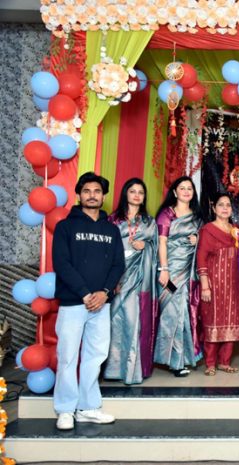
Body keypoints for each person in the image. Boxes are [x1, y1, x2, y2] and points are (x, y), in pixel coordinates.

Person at [52, 172, 124, 430]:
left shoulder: (111, 230)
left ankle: (88, 407)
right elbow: (62, 263)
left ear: (103, 196)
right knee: (68, 356)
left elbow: (118, 265)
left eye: (97, 191)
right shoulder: (65, 227)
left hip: (101, 304)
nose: (92, 195)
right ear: (79, 194)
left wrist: (105, 292)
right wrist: (85, 293)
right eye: (87, 191)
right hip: (74, 302)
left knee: (95, 356)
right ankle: (65, 410)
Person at [104, 178, 158, 385]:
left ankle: (133, 369)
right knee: (115, 320)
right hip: (117, 276)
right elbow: (106, 251)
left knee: (134, 320)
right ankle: (113, 368)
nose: (137, 195)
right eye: (132, 191)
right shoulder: (113, 220)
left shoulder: (149, 222)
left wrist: (146, 246)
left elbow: (157, 248)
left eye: (140, 192)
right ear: (125, 194)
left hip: (140, 277)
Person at [153, 176, 203, 377]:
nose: (186, 191)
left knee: (185, 313)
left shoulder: (197, 217)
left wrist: (197, 239)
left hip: (188, 274)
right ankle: (174, 360)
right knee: (172, 313)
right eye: (182, 188)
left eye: (189, 188)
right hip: (171, 275)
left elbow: (205, 243)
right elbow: (161, 242)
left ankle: (180, 359)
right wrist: (163, 269)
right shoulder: (168, 214)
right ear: (174, 192)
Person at [196, 193, 239, 376]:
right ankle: (210, 363)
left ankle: (225, 362)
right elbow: (201, 258)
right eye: (221, 205)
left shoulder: (236, 230)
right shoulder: (208, 230)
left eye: (228, 205)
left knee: (231, 321)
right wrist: (205, 285)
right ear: (214, 208)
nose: (225, 208)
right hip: (214, 283)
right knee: (212, 321)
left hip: (232, 284)